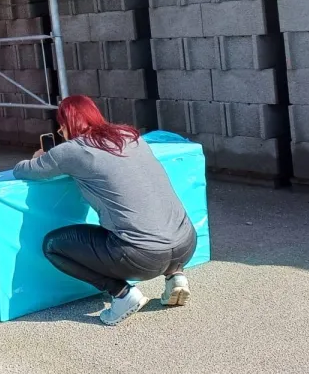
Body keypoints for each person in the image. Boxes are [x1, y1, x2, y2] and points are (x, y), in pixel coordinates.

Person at [12, 95, 196, 326]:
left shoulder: (70, 151)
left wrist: (40, 157)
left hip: (141, 257)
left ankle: (122, 294)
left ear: (68, 124)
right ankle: (175, 277)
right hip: (186, 244)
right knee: (151, 217)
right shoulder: (129, 136)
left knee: (52, 245)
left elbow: (23, 171)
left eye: (61, 127)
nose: (61, 132)